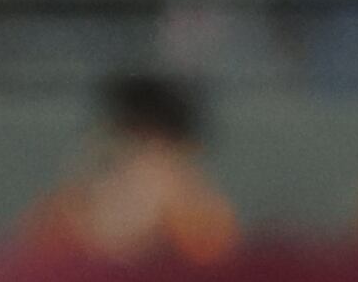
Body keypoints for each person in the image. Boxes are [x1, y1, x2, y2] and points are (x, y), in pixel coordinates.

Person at [14, 72, 238, 262]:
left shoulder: (194, 204)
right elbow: (36, 257)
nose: (141, 156)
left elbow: (214, 259)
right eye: (131, 137)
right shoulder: (74, 201)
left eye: (152, 143)